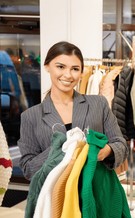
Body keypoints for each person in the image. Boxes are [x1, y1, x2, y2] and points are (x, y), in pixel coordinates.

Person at [18, 41, 128, 180]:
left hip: (95, 193)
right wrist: (63, 149)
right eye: (60, 67)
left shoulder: (98, 104)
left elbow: (120, 145)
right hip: (55, 197)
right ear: (47, 66)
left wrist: (106, 151)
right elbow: (28, 169)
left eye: (75, 69)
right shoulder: (31, 116)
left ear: (82, 73)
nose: (68, 75)